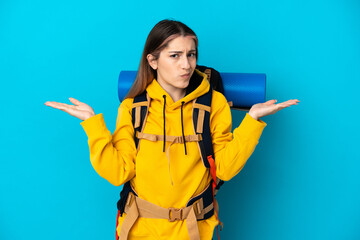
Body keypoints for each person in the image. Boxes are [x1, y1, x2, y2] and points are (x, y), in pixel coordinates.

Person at [45, 19, 299, 240]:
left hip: (194, 229)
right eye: (175, 55)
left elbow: (224, 168)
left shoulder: (214, 104)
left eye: (191, 54)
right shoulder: (133, 107)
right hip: (139, 230)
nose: (186, 65)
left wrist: (252, 121)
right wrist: (92, 124)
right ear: (153, 61)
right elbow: (119, 172)